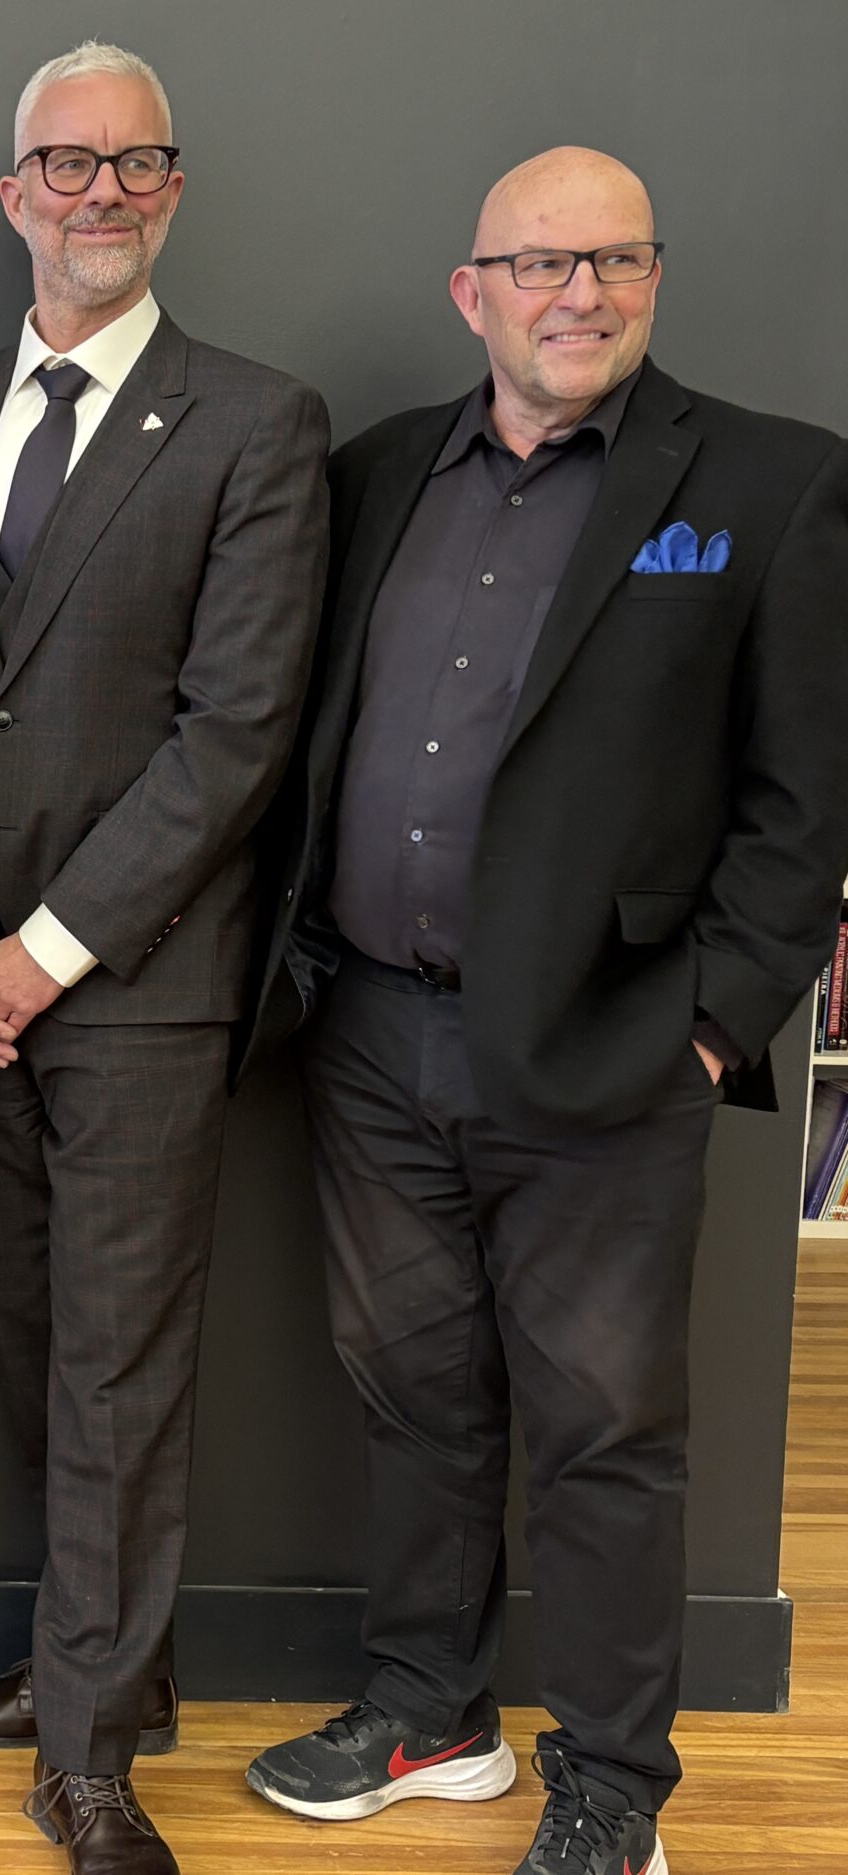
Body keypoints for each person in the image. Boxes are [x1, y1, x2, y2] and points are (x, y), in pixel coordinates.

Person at [241, 147, 848, 1875]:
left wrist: (716, 1025)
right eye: (543, 264)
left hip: (610, 1051)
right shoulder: (374, 476)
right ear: (474, 290)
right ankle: (431, 1715)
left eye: (618, 260)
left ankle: (610, 1788)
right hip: (369, 1038)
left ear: (653, 279)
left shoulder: (769, 482)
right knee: (411, 1392)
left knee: (604, 1433)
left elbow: (808, 803)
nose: (582, 294)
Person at [0, 41, 330, 1875]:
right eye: (69, 165)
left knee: (124, 1370)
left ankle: (88, 1756)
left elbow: (238, 732)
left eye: (138, 165)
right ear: (15, 197)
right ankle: (96, 1672)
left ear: (176, 192)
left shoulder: (254, 420)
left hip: (132, 984)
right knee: (38, 1347)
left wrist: (41, 951)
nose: (103, 194)